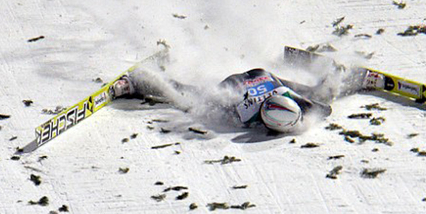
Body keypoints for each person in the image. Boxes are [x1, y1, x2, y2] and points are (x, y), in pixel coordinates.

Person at [112, 66, 384, 133]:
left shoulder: (288, 98)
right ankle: (137, 83)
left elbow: (323, 108)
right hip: (236, 85)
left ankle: (352, 77)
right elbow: (220, 113)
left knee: (317, 93)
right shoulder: (246, 113)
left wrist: (313, 111)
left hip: (264, 77)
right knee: (188, 98)